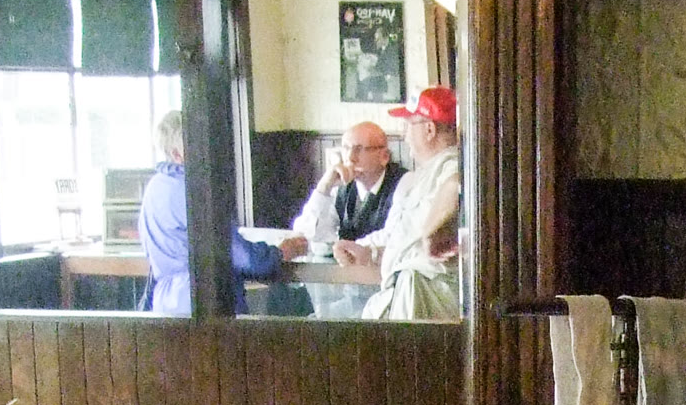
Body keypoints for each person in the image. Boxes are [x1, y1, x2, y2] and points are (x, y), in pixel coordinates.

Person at [138, 110, 304, 316]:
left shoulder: (154, 188)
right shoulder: (194, 192)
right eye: (197, 144)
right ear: (177, 154)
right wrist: (279, 253)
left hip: (165, 305)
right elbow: (237, 254)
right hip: (205, 302)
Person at [334, 87, 461, 321]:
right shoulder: (422, 175)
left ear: (429, 129)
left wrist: (431, 233)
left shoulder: (451, 166)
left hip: (426, 297)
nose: (404, 136)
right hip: (407, 295)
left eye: (408, 126)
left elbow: (456, 187)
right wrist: (370, 254)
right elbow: (405, 241)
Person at [291, 121, 406, 249]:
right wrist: (324, 188)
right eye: (346, 148)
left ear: (384, 157)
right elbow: (306, 235)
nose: (350, 158)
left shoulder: (404, 184)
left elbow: (394, 237)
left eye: (359, 149)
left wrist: (347, 248)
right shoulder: (341, 186)